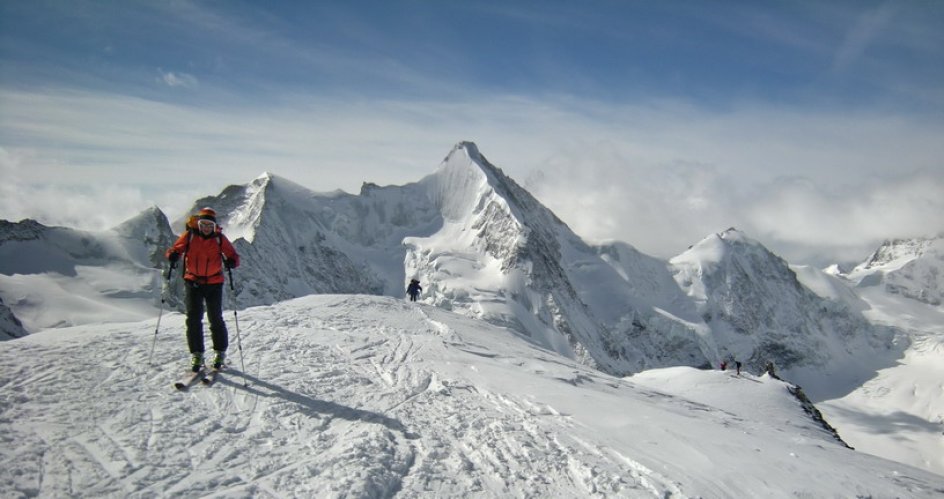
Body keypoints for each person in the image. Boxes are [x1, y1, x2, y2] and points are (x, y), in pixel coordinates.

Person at [165, 207, 240, 372]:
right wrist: (172, 255)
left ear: (214, 226)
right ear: (198, 224)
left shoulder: (219, 239)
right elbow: (175, 249)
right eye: (203, 224)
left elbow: (233, 255)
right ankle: (197, 354)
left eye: (209, 225)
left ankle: (220, 352)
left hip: (214, 282)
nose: (206, 227)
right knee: (193, 319)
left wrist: (232, 262)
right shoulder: (190, 236)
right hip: (193, 282)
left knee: (215, 318)